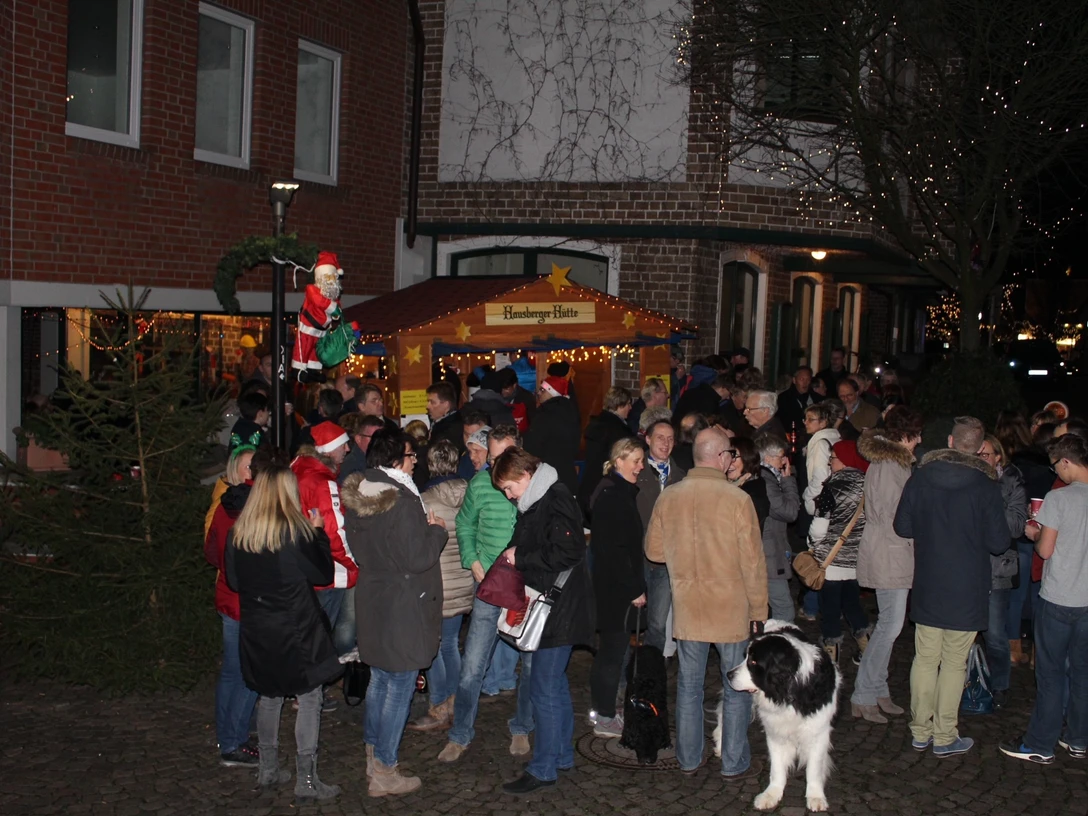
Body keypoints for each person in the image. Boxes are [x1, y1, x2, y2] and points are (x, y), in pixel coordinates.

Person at [645, 426, 768, 780]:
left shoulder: (670, 497)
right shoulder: (737, 500)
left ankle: (688, 758)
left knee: (688, 686)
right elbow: (753, 563)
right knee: (736, 687)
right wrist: (759, 611)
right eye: (730, 453)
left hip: (689, 607)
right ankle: (733, 760)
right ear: (720, 457)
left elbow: (654, 551)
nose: (731, 458)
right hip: (730, 609)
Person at [894, 416, 1010, 757]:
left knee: (925, 658)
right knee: (954, 663)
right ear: (980, 448)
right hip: (968, 586)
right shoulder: (985, 486)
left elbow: (902, 526)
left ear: (950, 441)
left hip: (930, 581)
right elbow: (999, 542)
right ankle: (945, 735)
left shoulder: (921, 477)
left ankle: (920, 730)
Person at [224, 464, 342, 800]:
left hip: (258, 628)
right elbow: (322, 574)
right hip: (296, 628)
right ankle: (306, 780)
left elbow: (234, 581)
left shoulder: (239, 534)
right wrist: (318, 534)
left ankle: (268, 769)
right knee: (309, 698)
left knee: (270, 696)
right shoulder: (296, 534)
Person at [342, 429, 448, 796]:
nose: (415, 460)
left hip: (374, 598)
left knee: (380, 681)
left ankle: (373, 757)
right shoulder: (401, 501)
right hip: (403, 604)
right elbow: (416, 557)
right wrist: (437, 532)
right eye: (411, 455)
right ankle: (385, 769)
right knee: (399, 684)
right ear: (395, 460)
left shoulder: (361, 493)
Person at [491, 448, 595, 794]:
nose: (509, 496)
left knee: (543, 688)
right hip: (556, 607)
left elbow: (569, 551)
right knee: (554, 685)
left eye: (509, 488)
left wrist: (521, 556)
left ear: (525, 475)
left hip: (558, 610)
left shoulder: (553, 498)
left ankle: (544, 768)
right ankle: (561, 755)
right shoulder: (539, 498)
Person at [438, 425, 535, 763]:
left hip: (527, 587)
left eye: (503, 456)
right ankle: (460, 733)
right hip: (490, 586)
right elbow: (464, 523)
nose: (496, 465)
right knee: (472, 665)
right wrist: (472, 560)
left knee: (531, 662)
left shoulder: (535, 484)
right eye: (492, 458)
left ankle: (522, 725)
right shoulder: (480, 484)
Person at [1001, 434, 1088, 764]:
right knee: (1082, 673)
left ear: (1066, 461)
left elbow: (1046, 550)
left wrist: (1035, 534)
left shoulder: (1059, 498)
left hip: (1059, 598)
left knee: (1050, 675)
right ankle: (1078, 739)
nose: (1056, 473)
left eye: (1056, 466)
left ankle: (1039, 743)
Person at [851, 409, 923, 723]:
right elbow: (897, 516)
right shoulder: (891, 466)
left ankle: (878, 689)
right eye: (916, 435)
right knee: (889, 626)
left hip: (889, 549)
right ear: (904, 436)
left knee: (889, 625)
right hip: (890, 551)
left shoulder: (890, 463)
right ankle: (864, 694)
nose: (919, 440)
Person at [406, 441, 473, 732]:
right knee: (451, 644)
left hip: (437, 584)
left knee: (434, 647)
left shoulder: (424, 500)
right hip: (464, 580)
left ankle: (439, 706)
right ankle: (456, 702)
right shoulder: (471, 492)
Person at [203, 446, 259, 768]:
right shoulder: (250, 507)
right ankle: (234, 742)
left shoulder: (225, 505)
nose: (252, 472)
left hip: (228, 596)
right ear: (235, 469)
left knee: (232, 672)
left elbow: (212, 552)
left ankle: (229, 736)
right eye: (248, 466)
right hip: (246, 602)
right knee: (247, 673)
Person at [588, 438, 647, 737]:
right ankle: (605, 716)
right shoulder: (613, 496)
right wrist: (634, 588)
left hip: (613, 586)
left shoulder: (616, 491)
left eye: (641, 460)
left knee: (612, 651)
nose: (641, 466)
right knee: (611, 653)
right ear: (619, 461)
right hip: (616, 590)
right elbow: (615, 550)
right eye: (636, 460)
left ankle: (606, 709)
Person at [291, 421, 357, 674]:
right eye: (343, 445)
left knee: (306, 633)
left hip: (302, 567)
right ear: (328, 449)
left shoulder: (297, 470)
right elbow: (335, 532)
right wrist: (352, 564)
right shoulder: (322, 482)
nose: (347, 449)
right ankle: (312, 685)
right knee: (321, 637)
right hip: (328, 571)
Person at [996, 410, 1053, 665]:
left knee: (1015, 595)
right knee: (1038, 593)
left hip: (1016, 535)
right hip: (1041, 532)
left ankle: (1013, 647)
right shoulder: (1044, 463)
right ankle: (1037, 652)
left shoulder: (1008, 467)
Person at [809, 440, 869, 666]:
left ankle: (831, 655)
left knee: (830, 610)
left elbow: (819, 528)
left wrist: (814, 543)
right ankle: (866, 647)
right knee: (853, 605)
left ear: (844, 460)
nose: (830, 463)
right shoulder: (869, 484)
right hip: (857, 559)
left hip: (832, 561)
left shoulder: (832, 487)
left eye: (832, 458)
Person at [979, 434, 1027, 708]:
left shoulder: (1011, 481)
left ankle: (999, 685)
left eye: (985, 454)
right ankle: (968, 681)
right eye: (977, 454)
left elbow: (1017, 527)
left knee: (995, 634)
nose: (980, 459)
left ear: (998, 456)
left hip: (998, 568)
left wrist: (990, 501)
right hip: (967, 565)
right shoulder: (968, 479)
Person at [637, 419, 687, 653]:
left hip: (665, 559)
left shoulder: (681, 477)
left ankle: (653, 668)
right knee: (632, 621)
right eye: (660, 438)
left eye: (670, 439)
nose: (666, 443)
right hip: (637, 555)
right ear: (648, 439)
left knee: (657, 623)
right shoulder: (635, 472)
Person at [755, 433, 800, 622]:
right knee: (784, 609)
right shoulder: (767, 482)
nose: (784, 461)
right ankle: (783, 639)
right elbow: (789, 512)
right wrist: (789, 482)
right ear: (767, 457)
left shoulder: (768, 478)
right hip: (769, 555)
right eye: (781, 457)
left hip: (769, 552)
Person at [578, 387, 635, 516]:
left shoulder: (596, 424)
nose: (630, 408)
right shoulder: (618, 431)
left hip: (589, 484)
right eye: (628, 404)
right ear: (620, 404)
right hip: (606, 488)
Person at [524, 375, 581, 496]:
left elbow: (532, 447)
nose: (538, 393)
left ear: (552, 393)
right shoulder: (571, 413)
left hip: (547, 476)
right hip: (567, 475)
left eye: (543, 390)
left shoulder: (544, 415)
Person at [802, 403, 842, 516]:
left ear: (823, 422)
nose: (805, 422)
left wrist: (807, 495)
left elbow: (820, 477)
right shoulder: (835, 438)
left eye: (811, 419)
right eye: (805, 419)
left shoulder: (820, 444)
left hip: (821, 501)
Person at [776, 365, 820, 448]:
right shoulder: (784, 398)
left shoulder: (817, 399)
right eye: (802, 379)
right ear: (794, 380)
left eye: (808, 379)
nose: (805, 383)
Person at [338, 414, 384, 484]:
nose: (379, 441)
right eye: (374, 437)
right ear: (358, 439)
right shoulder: (352, 468)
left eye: (382, 437)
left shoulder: (380, 459)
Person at [426, 381, 464, 454]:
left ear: (446, 405)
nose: (427, 406)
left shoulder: (452, 431)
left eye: (432, 402)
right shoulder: (439, 425)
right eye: (428, 402)